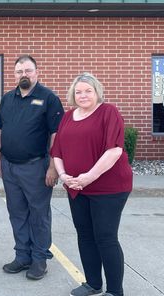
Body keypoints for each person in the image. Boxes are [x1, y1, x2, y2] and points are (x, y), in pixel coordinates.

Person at [51, 73, 132, 296]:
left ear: (97, 92)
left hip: (109, 187)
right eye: (79, 92)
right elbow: (57, 151)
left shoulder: (109, 112)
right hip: (76, 187)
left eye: (88, 91)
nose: (83, 95)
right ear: (73, 95)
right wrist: (64, 174)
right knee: (85, 235)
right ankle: (93, 284)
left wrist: (89, 177)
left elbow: (114, 150)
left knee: (105, 237)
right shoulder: (67, 117)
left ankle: (115, 291)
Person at [0, 55, 64, 280]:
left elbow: (56, 135)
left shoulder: (49, 98)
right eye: (19, 71)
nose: (23, 74)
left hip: (36, 167)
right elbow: (0, 130)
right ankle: (22, 256)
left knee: (39, 214)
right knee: (17, 213)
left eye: (28, 70)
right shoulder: (8, 98)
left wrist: (53, 167)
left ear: (36, 72)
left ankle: (39, 259)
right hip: (9, 167)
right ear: (14, 74)